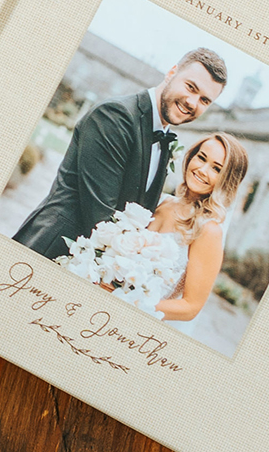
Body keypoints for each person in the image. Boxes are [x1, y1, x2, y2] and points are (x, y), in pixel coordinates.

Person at [11, 48, 229, 259]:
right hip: (50, 250)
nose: (192, 103)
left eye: (205, 100)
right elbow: (101, 216)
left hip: (95, 266)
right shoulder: (115, 117)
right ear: (171, 73)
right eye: (191, 87)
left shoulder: (164, 139)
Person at [56, 132, 251, 322]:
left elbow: (190, 307)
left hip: (133, 320)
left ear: (227, 181)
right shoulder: (161, 201)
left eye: (216, 169)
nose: (202, 170)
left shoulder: (208, 231)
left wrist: (125, 301)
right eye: (201, 158)